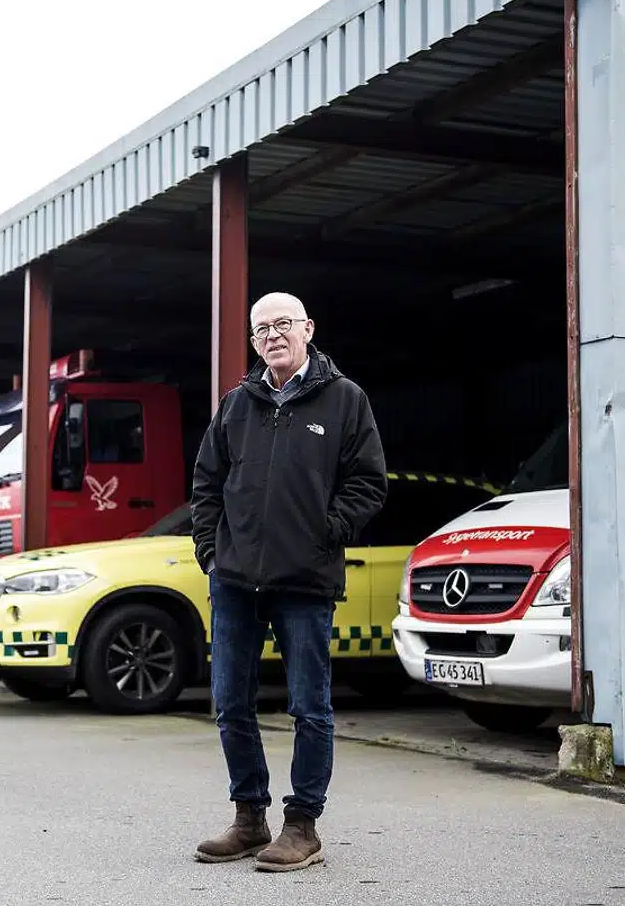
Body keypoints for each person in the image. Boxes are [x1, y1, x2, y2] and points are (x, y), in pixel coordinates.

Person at [189, 291, 388, 873]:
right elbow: (206, 483)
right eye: (261, 329)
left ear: (308, 329)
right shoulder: (236, 405)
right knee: (230, 703)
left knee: (309, 706)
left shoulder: (345, 399)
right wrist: (211, 552)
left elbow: (368, 483)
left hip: (305, 580)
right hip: (233, 581)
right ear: (254, 341)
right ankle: (249, 818)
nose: (273, 335)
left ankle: (302, 825)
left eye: (283, 324)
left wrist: (325, 533)